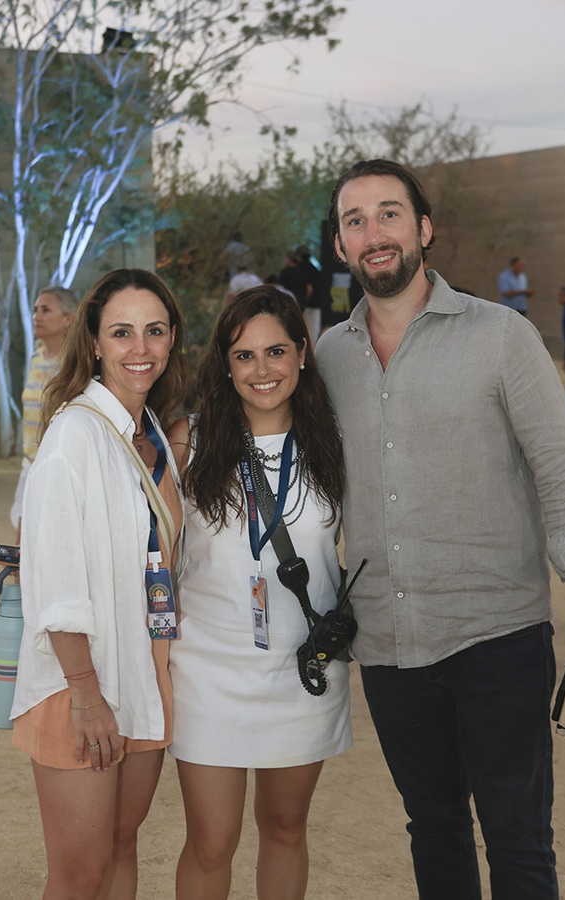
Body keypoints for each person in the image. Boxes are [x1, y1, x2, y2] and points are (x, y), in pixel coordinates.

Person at [315, 158, 565, 900]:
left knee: (518, 836)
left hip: (497, 635)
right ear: (340, 246)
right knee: (433, 829)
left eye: (389, 214)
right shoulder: (327, 358)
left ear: (423, 228)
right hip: (388, 642)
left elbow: (562, 469)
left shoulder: (501, 335)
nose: (374, 232)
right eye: (354, 221)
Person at [167, 285, 352, 900]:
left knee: (285, 827)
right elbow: (154, 554)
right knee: (211, 841)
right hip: (207, 669)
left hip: (304, 669)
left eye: (276, 351)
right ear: (225, 364)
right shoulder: (188, 443)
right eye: (244, 355)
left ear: (302, 351)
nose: (262, 370)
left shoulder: (335, 442)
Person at [10, 268, 186, 900]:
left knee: (120, 845)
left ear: (172, 339)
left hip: (141, 673)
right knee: (80, 875)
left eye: (154, 331)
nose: (140, 348)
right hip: (80, 684)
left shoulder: (153, 432)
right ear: (93, 342)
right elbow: (54, 580)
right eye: (121, 333)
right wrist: (86, 695)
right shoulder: (73, 435)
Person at [9, 286, 80, 533]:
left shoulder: (75, 363)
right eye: (35, 310)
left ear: (68, 319)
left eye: (46, 310)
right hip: (30, 463)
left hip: (58, 467)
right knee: (21, 543)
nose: (37, 316)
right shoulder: (36, 357)